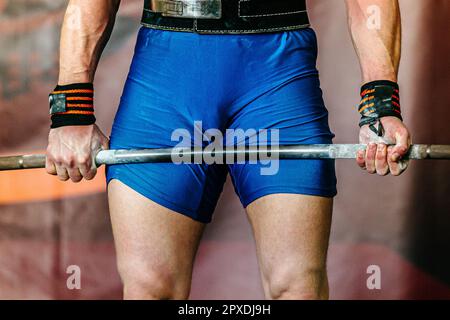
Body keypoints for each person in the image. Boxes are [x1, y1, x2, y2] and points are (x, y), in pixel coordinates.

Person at [46, 0, 411, 299]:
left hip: (275, 77)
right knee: (150, 288)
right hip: (167, 81)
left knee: (296, 285)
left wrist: (380, 107)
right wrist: (72, 111)